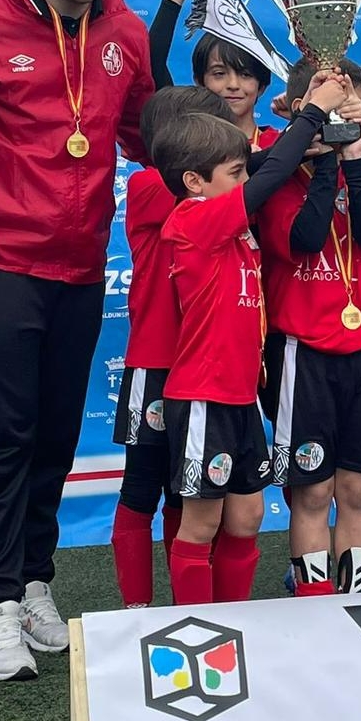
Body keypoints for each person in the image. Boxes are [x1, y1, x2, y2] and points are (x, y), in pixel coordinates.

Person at [0, 0, 155, 680]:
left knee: (54, 440)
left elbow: (147, 133)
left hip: (78, 269)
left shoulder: (124, 32)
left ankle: (33, 578)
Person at [159, 77, 353, 603]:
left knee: (246, 517)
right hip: (203, 396)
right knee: (201, 524)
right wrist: (312, 113)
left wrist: (306, 129)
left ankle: (237, 622)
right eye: (235, 172)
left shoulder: (227, 217)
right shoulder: (193, 219)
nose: (247, 177)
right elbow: (266, 181)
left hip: (241, 395)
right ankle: (198, 629)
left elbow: (267, 170)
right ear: (195, 181)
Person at [260, 57, 361, 596]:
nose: (340, 123)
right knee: (313, 493)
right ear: (304, 112)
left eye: (351, 111)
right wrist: (320, 162)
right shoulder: (278, 176)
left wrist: (357, 161)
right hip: (306, 354)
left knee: (360, 491)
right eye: (330, 112)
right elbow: (304, 240)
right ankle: (316, 606)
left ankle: (357, 603)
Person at [110, 86, 233, 608]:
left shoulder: (228, 196)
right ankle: (136, 611)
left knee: (193, 497)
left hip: (208, 370)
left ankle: (193, 610)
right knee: (141, 490)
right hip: (156, 364)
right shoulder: (146, 187)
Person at [148, 0, 280, 149]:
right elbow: (151, 64)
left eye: (245, 75)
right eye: (219, 73)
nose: (233, 85)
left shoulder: (283, 146)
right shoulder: (185, 144)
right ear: (200, 81)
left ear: (262, 85)